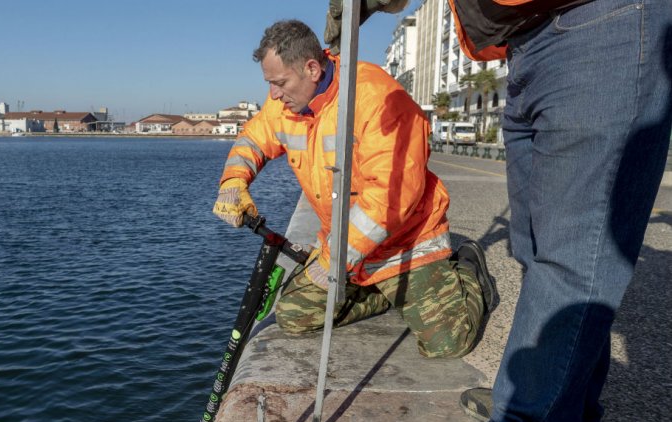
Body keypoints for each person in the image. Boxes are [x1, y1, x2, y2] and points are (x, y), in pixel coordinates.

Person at [325, 0, 672, 422]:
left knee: (572, 261)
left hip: (602, 24)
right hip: (524, 43)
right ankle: (542, 402)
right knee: (537, 254)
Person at [212, 19, 496, 360]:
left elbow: (391, 197)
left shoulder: (377, 98)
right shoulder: (285, 104)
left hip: (404, 241)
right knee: (294, 315)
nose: (273, 94)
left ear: (312, 68)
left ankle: (466, 266)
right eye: (270, 84)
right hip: (345, 247)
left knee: (447, 344)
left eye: (280, 83)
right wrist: (233, 182)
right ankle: (381, 289)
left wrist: (333, 260)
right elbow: (253, 139)